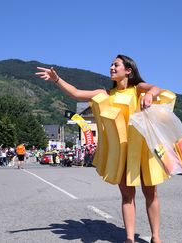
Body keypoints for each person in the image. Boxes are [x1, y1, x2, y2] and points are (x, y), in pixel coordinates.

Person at [36, 54, 162, 243]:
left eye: (116, 65)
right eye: (111, 64)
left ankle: (156, 236)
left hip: (143, 148)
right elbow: (76, 93)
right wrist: (57, 79)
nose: (112, 67)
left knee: (150, 193)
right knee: (127, 196)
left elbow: (156, 88)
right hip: (121, 151)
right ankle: (129, 238)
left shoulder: (137, 89)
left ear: (128, 70)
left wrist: (150, 95)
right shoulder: (104, 94)